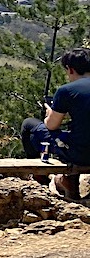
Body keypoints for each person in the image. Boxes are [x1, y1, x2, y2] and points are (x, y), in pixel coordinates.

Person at [21, 47, 90, 199]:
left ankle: (40, 178)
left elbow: (51, 126)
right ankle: (69, 181)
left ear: (70, 69)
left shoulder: (66, 91)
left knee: (29, 126)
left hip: (80, 153)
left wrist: (49, 114)